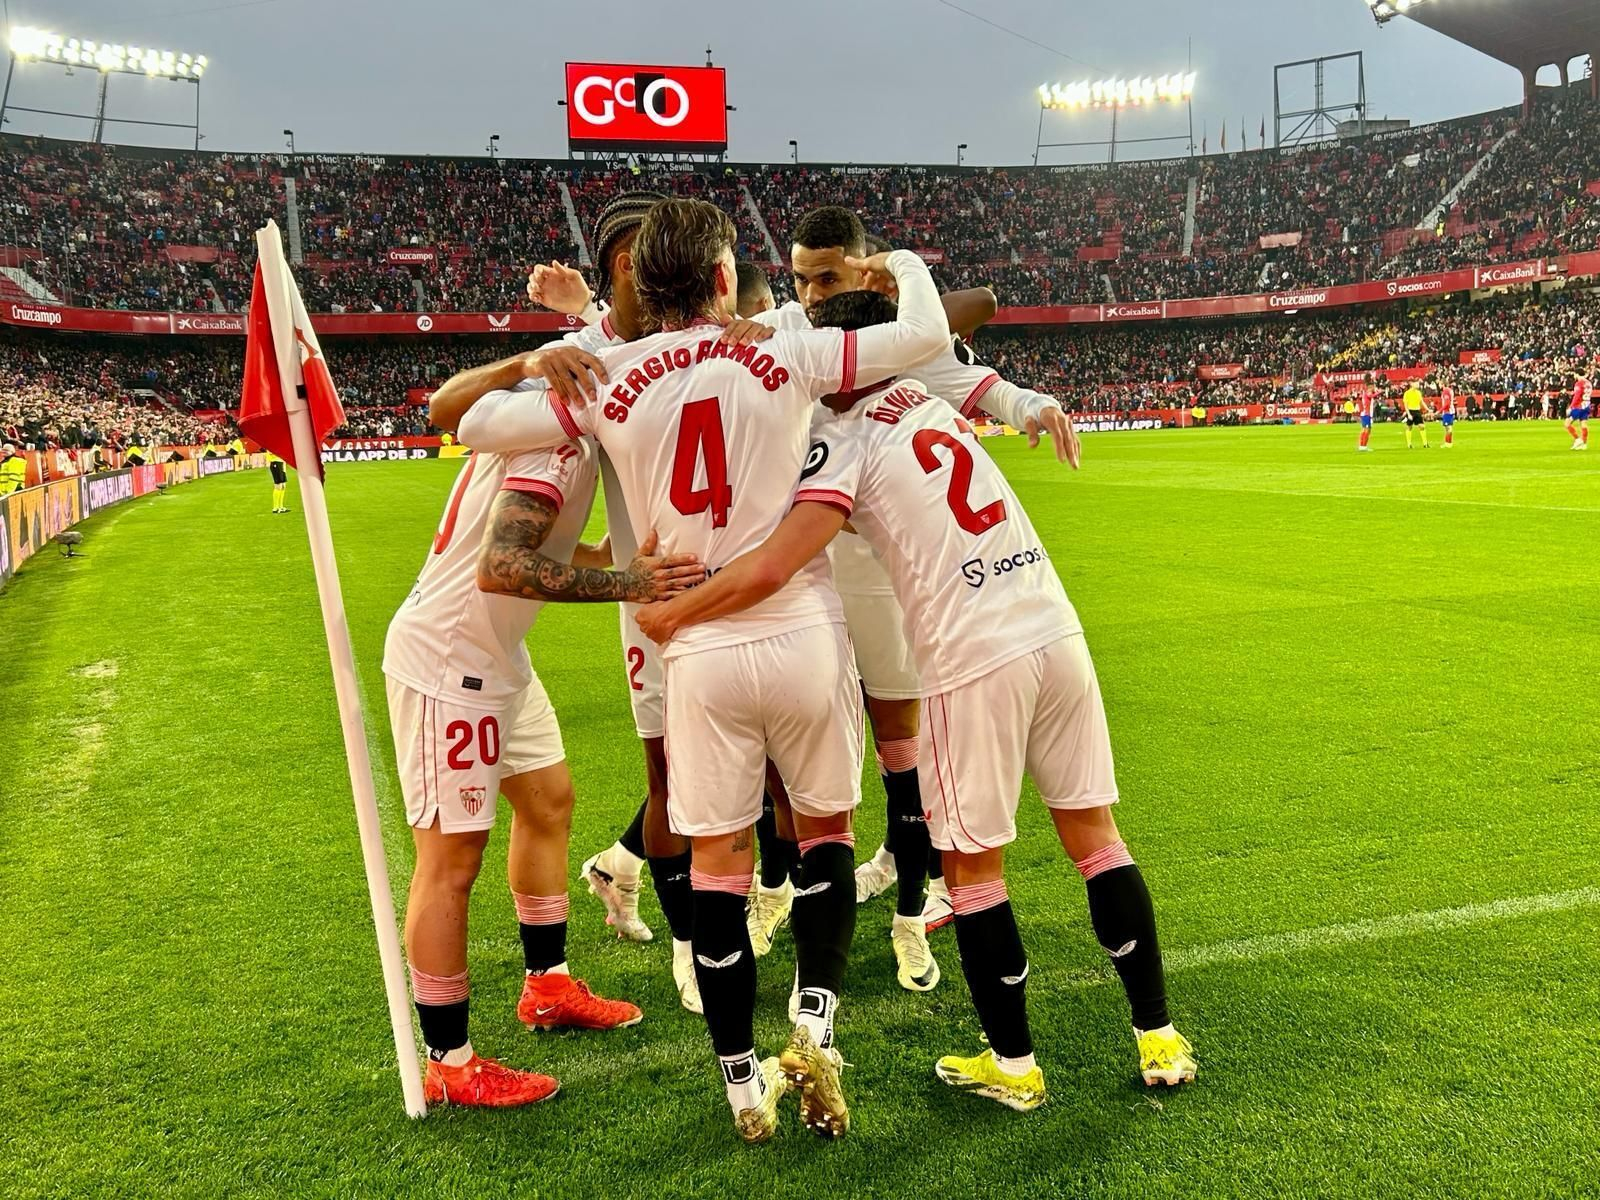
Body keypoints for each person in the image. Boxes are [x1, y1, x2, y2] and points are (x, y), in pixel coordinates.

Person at [452, 199, 952, 1144]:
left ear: (643, 287)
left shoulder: (607, 375)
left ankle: (738, 1086)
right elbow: (922, 334)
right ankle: (815, 1026)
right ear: (725, 278)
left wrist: (540, 358)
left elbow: (473, 421)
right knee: (824, 838)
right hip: (800, 625)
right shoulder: (789, 343)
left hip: (696, 652)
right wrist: (903, 263)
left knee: (720, 863)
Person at [633, 287, 1196, 1112]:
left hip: (974, 659)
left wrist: (669, 612)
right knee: (1097, 839)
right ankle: (1158, 1036)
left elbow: (772, 564)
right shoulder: (927, 403)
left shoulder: (840, 440)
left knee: (972, 868)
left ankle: (1015, 1062)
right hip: (1054, 628)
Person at [382, 337, 703, 1109]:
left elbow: (539, 529)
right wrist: (630, 582)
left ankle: (548, 986)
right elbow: (505, 564)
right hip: (450, 658)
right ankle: (451, 1060)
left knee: (549, 801)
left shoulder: (566, 430)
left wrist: (606, 552)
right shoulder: (561, 440)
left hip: (498, 654)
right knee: (450, 859)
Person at [759, 206, 1077, 978]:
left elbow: (967, 378)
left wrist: (1031, 406)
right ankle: (799, 882)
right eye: (799, 277)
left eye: (826, 277)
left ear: (865, 270)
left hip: (879, 570)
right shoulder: (791, 335)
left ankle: (917, 897)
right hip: (810, 570)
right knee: (800, 748)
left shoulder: (895, 335)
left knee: (902, 745)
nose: (808, 294)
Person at [520, 193, 708, 1018]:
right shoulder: (590, 357)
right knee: (673, 776)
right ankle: (690, 943)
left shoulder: (712, 335)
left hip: (750, 590)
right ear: (634, 264)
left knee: (755, 766)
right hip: (655, 597)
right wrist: (530, 359)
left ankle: (622, 867)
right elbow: (461, 414)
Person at [1400, 382, 1431, 449]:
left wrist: (1428, 409)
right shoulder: (1407, 393)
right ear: (1412, 384)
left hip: (1417, 411)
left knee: (1422, 426)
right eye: (1416, 384)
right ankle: (1409, 444)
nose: (1418, 385)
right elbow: (1406, 405)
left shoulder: (1418, 393)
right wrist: (1408, 414)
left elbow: (1421, 402)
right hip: (1410, 411)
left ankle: (1425, 444)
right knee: (1409, 427)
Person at [1567, 370, 1591, 450]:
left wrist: (1571, 407)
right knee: (1583, 424)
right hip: (1587, 405)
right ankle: (1584, 444)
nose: (1574, 376)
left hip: (1579, 406)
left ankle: (1577, 439)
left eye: (1574, 374)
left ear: (1577, 374)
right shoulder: (1588, 383)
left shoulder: (1579, 383)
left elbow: (1577, 396)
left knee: (1567, 423)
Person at [1356, 373, 1378, 452]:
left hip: (1366, 414)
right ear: (1370, 387)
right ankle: (1363, 446)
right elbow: (1370, 396)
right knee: (1366, 430)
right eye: (1373, 387)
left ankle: (1362, 445)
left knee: (1366, 430)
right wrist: (1378, 392)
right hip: (1366, 414)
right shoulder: (1367, 393)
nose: (1374, 388)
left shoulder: (1365, 393)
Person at [1438, 379, 1458, 448]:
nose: (1439, 385)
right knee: (1448, 428)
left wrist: (1439, 411)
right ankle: (1449, 443)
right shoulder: (1449, 390)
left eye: (1440, 383)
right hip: (1450, 411)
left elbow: (1447, 403)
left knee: (1448, 428)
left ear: (1443, 384)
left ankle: (1447, 443)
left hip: (1447, 411)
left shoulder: (1445, 391)